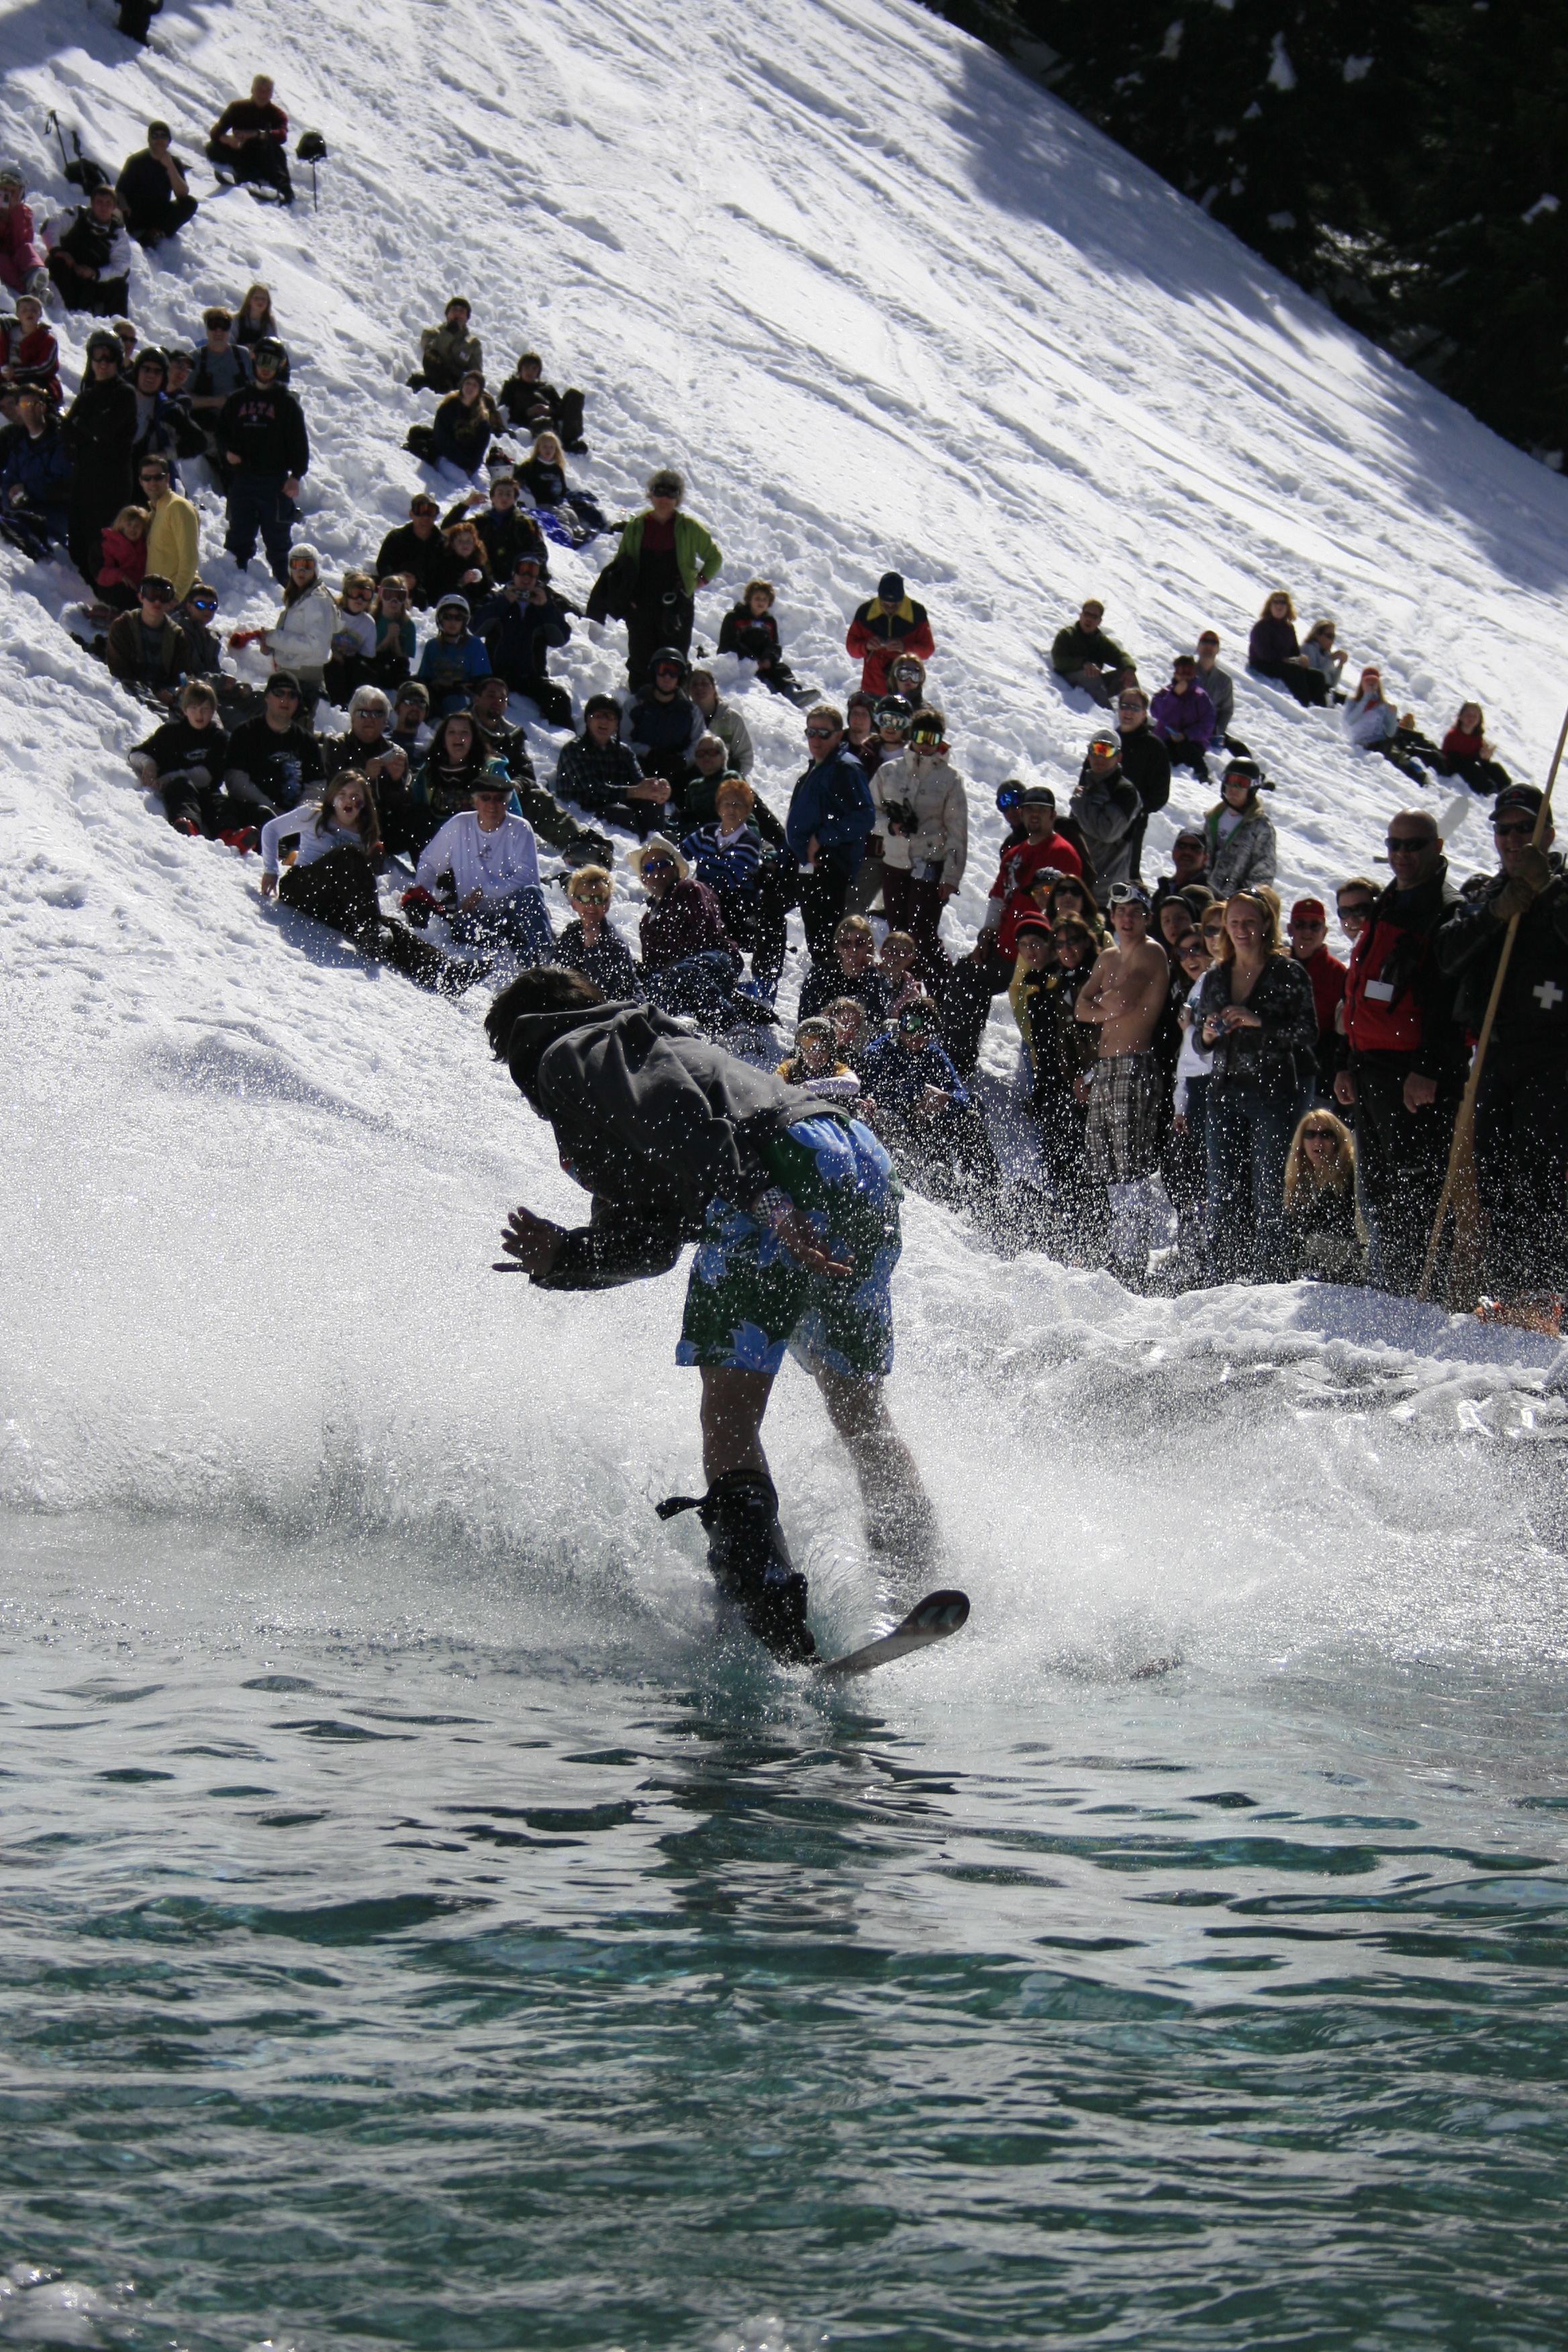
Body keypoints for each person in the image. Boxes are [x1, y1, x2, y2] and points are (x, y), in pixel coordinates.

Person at [489, 967, 934, 1651]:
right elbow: (651, 1243)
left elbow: (675, 1115)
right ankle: (917, 1583)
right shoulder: (640, 1046)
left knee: (729, 1411)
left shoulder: (566, 1050)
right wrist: (566, 1259)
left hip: (776, 1177)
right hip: (853, 1162)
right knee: (858, 1408)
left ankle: (764, 1618)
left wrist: (766, 1201)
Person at [1434, 785, 1568, 1312]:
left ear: (1547, 834)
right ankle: (1510, 1290)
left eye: (1523, 828)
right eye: (1503, 829)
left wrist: (1549, 893)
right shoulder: (1483, 892)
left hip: (1555, 1054)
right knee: (1491, 1174)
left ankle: (1546, 1290)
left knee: (1539, 1171)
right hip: (1494, 1053)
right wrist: (1496, 912)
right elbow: (1446, 958)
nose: (1513, 839)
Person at [1334, 810, 1463, 1294]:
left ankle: (1420, 1293)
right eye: (1395, 845)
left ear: (1437, 845)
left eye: (1414, 845)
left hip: (1412, 1075)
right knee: (1381, 1190)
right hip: (1372, 1068)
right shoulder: (1390, 901)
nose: (1403, 855)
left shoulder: (1446, 908)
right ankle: (1391, 1288)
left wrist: (1428, 1068)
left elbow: (1448, 1001)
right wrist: (1348, 1062)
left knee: (1416, 1193)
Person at [1191, 892, 1319, 1284]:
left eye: (1250, 922)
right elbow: (1198, 1041)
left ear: (1266, 924)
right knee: (1223, 1192)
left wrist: (1259, 1022)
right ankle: (1222, 1278)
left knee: (1269, 1191)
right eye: (1235, 922)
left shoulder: (1288, 972)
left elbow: (1309, 1032)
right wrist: (1209, 1034)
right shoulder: (1214, 976)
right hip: (1224, 1092)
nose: (1242, 930)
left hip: (1274, 1094)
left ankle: (1270, 1280)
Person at [262, 771, 483, 992]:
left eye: (356, 797)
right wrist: (271, 869)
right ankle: (369, 928)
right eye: (343, 794)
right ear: (332, 797)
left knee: (390, 930)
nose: (349, 801)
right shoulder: (313, 815)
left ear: (365, 804)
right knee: (348, 856)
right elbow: (272, 830)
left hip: (331, 903)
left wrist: (373, 916)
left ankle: (444, 973)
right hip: (302, 888)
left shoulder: (364, 833)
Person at [943, 785, 1084, 1073]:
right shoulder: (1015, 852)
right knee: (965, 979)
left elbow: (1069, 903)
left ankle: (1045, 1081)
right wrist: (986, 936)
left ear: (1053, 815)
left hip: (1039, 956)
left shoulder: (1063, 853)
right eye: (1029, 809)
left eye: (1041, 811)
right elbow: (998, 897)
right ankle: (957, 1062)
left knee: (1042, 1011)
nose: (1034, 815)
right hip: (1004, 950)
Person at [1073, 884, 1171, 1287]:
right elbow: (1081, 1008)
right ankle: (1126, 1248)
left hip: (1134, 1063)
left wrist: (1104, 1002)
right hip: (1106, 1065)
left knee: (1130, 1159)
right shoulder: (1109, 956)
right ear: (1111, 917)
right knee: (1107, 1159)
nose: (1127, 919)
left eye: (1135, 911)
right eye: (1121, 912)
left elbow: (1123, 1004)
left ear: (1146, 917)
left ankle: (1140, 1250)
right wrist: (1105, 1003)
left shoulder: (1151, 952)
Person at [859, 998, 1001, 1210]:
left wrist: (945, 1099)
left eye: (925, 1028)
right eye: (911, 1024)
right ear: (900, 1024)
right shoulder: (879, 1051)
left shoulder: (934, 1055)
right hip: (892, 1124)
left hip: (928, 1122)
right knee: (903, 1119)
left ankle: (987, 1193)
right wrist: (920, 1094)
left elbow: (959, 1093)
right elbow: (876, 1090)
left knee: (969, 1117)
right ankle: (926, 1184)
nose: (917, 1034)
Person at [467, 675, 614, 866]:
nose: (497, 702)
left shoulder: (511, 735)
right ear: (477, 698)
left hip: (506, 797)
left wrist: (517, 785)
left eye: (502, 698)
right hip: (470, 797)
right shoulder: (462, 728)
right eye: (491, 696)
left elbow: (526, 773)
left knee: (537, 799)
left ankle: (579, 840)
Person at [867, 706, 968, 984]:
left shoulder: (949, 779)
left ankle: (944, 992)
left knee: (922, 933)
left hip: (929, 863)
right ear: (912, 735)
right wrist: (891, 825)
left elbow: (957, 832)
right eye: (922, 736)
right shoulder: (890, 772)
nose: (926, 744)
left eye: (933, 739)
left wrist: (951, 876)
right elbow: (867, 812)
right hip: (895, 861)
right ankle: (906, 990)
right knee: (898, 931)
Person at [412, 779, 554, 961]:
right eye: (486, 798)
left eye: (499, 799)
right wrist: (421, 899)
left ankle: (546, 960)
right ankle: (515, 950)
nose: (492, 805)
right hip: (475, 917)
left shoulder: (520, 828)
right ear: (476, 802)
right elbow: (429, 863)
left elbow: (528, 878)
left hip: (513, 912)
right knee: (464, 926)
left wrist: (484, 891)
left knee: (531, 895)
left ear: (507, 802)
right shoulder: (459, 825)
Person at [679, 775, 789, 1001]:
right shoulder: (707, 833)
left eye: (738, 804)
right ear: (718, 807)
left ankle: (757, 983)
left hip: (736, 905)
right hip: (704, 901)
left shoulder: (750, 841)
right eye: (727, 803)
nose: (732, 809)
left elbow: (734, 875)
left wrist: (704, 887)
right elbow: (680, 855)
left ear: (748, 811)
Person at [609, 469, 722, 687]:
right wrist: (627, 597)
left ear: (678, 499)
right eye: (660, 492)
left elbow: (714, 557)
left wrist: (698, 582)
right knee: (641, 661)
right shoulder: (636, 526)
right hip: (641, 605)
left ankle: (674, 711)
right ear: (650, 495)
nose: (665, 499)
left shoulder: (689, 528)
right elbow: (621, 564)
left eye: (672, 493)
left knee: (674, 661)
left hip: (676, 607)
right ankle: (640, 709)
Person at [785, 705, 877, 954]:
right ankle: (766, 980)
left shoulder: (845, 768)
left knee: (827, 942)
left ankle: (833, 991)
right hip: (807, 865)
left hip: (830, 867)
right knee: (776, 907)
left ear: (839, 735)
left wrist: (822, 838)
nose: (816, 739)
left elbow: (865, 816)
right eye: (811, 732)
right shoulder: (817, 768)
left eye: (823, 733)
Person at [219, 338, 307, 583]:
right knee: (238, 538)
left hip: (274, 483)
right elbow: (221, 433)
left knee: (279, 544)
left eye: (273, 362)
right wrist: (227, 453)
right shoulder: (237, 400)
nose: (266, 368)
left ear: (281, 365)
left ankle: (290, 591)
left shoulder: (287, 404)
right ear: (254, 361)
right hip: (243, 481)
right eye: (263, 361)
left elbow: (300, 444)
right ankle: (234, 589)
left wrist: (296, 476)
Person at [126, 679, 244, 836]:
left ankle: (229, 835)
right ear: (185, 709)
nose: (199, 715)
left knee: (220, 802)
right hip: (178, 791)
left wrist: (169, 777)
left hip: (207, 792)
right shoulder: (170, 733)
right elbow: (135, 754)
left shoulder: (219, 738)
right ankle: (186, 825)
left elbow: (207, 776)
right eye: (194, 708)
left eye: (205, 709)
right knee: (182, 787)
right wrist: (149, 764)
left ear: (213, 710)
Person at [1164, 928, 1216, 1281]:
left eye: (1197, 949)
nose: (1190, 958)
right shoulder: (1194, 991)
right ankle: (1193, 1246)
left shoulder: (1221, 983)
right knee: (1183, 1170)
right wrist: (1180, 1105)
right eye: (1182, 954)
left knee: (1215, 1177)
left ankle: (1213, 1254)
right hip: (1195, 1091)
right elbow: (1188, 1056)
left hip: (1221, 1090)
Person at [473, 553, 572, 724]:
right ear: (514, 574)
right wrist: (503, 602)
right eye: (522, 571)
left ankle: (563, 742)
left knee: (559, 699)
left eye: (532, 572)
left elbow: (560, 639)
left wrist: (546, 608)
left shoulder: (545, 603)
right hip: (495, 674)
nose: (526, 578)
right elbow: (476, 628)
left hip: (530, 677)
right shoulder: (497, 598)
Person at [556, 696, 671, 838]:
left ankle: (657, 848)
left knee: (653, 804)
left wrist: (657, 789)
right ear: (588, 720)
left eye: (610, 717)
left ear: (617, 724)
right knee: (621, 813)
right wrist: (634, 792)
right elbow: (592, 791)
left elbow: (639, 784)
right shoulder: (573, 750)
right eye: (598, 716)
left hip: (619, 809)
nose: (604, 721)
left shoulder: (624, 752)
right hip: (582, 815)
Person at [224, 671, 324, 816]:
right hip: (253, 815)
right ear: (267, 697)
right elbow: (235, 782)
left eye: (292, 695)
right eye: (279, 693)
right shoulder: (244, 733)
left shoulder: (307, 742)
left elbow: (317, 786)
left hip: (296, 820)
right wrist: (270, 807)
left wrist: (299, 814)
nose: (285, 699)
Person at [1283, 1112, 1365, 1283]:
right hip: (1308, 1276)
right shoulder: (1298, 1180)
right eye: (1310, 1135)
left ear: (1338, 1140)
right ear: (1302, 1141)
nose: (1318, 1141)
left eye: (1326, 1135)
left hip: (1348, 1270)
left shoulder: (1352, 1174)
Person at [409, 709, 509, 848]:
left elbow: (512, 814)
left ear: (474, 739)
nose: (458, 738)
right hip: (438, 848)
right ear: (443, 740)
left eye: (465, 733)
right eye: (452, 732)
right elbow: (415, 809)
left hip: (481, 846)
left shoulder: (492, 771)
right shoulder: (429, 772)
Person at [257, 544, 336, 702]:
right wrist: (272, 646)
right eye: (296, 565)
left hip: (305, 676)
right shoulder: (300, 597)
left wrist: (274, 638)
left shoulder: (317, 600)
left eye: (307, 565)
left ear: (316, 569)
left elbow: (316, 646)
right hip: (291, 673)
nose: (301, 571)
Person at [1287, 897, 1346, 1101]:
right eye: (1300, 924)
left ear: (1325, 932)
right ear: (1289, 929)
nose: (1307, 931)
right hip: (1276, 1070)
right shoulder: (1275, 966)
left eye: (1315, 926)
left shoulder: (1337, 973)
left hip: (1319, 1077)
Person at [0, 386, 71, 556]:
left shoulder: (60, 440)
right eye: (24, 405)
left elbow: (62, 483)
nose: (30, 410)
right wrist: (10, 499)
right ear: (18, 409)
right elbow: (9, 479)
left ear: (43, 407)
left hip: (56, 520)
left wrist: (27, 490)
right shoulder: (19, 444)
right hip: (24, 514)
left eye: (34, 404)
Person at [550, 865, 640, 997]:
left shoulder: (615, 944)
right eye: (585, 899)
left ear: (607, 905)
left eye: (598, 899)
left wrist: (591, 950)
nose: (591, 905)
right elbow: (556, 977)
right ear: (574, 904)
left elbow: (604, 995)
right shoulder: (571, 933)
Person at [43, 184, 132, 318]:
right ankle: (64, 314)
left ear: (114, 207)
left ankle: (119, 330)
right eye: (99, 202)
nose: (104, 207)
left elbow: (121, 267)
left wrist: (95, 273)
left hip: (94, 280)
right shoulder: (77, 216)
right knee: (57, 264)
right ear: (92, 203)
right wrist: (58, 251)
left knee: (120, 285)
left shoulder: (117, 234)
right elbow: (51, 226)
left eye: (108, 203)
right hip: (68, 270)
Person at [1112, 685, 1172, 881]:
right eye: (1125, 706)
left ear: (1144, 714)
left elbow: (1160, 795)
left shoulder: (1154, 748)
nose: (1129, 712)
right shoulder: (1110, 741)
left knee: (1126, 877)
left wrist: (1135, 809)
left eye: (1135, 708)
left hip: (1132, 825)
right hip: (1099, 819)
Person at [1070, 732, 1142, 891]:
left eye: (1107, 751)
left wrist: (1080, 804)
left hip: (1106, 889)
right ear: (1088, 755)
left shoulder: (1124, 791)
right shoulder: (1086, 788)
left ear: (1119, 757)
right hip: (1078, 883)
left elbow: (1107, 832)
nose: (1100, 757)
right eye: (1096, 750)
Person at [103, 574, 188, 707]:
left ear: (170, 602)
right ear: (141, 597)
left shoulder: (177, 635)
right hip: (130, 691)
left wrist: (184, 687)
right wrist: (155, 691)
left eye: (164, 596)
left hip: (166, 693)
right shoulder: (123, 626)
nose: (157, 602)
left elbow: (181, 673)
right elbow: (120, 671)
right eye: (151, 594)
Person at [846, 571, 934, 698]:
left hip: (907, 690)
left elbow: (928, 649)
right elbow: (851, 647)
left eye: (895, 605)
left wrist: (905, 648)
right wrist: (866, 646)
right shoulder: (865, 612)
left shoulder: (917, 613)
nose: (890, 608)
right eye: (885, 605)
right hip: (873, 688)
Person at [206, 79, 293, 203]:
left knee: (276, 151)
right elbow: (216, 132)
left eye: (267, 91)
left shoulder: (277, 114)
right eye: (260, 89)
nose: (263, 94)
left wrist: (257, 135)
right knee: (213, 147)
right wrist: (228, 140)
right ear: (252, 90)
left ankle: (284, 191)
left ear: (272, 94)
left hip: (263, 154)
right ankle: (244, 176)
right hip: (241, 151)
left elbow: (282, 136)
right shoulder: (237, 108)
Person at [450, 471, 546, 581]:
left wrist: (527, 573)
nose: (504, 497)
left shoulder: (526, 524)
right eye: (500, 493)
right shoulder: (481, 523)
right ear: (492, 498)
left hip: (521, 581)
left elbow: (540, 552)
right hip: (489, 582)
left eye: (509, 494)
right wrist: (466, 504)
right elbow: (448, 528)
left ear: (515, 499)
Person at [115, 124, 197, 248]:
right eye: (155, 136)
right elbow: (120, 191)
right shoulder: (135, 161)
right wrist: (124, 205)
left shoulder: (174, 163)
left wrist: (170, 167)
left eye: (163, 137)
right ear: (149, 140)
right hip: (135, 211)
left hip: (159, 212)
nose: (159, 140)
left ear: (169, 141)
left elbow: (182, 194)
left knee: (190, 203)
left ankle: (154, 233)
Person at [1204, 759, 1277, 898]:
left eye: (1242, 783)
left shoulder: (1260, 827)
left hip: (1234, 909)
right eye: (1230, 780)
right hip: (1205, 900)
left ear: (1252, 788)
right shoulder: (1213, 818)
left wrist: (1244, 902)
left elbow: (1263, 875)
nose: (1234, 788)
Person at [514, 431, 605, 542]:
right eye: (545, 447)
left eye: (551, 447)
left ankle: (581, 534)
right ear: (538, 448)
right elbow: (517, 478)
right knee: (561, 518)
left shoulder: (557, 468)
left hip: (559, 501)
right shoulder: (531, 466)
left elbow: (562, 487)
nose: (548, 450)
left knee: (572, 516)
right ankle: (569, 538)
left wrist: (563, 500)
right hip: (543, 502)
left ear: (556, 450)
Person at [799, 915, 891, 1025]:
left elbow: (878, 1022)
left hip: (862, 1040)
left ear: (869, 945)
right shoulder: (821, 973)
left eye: (860, 943)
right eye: (846, 943)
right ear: (838, 946)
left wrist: (872, 974)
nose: (853, 949)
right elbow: (805, 1021)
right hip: (825, 1037)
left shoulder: (879, 981)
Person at [719, 579, 801, 697]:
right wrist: (751, 658)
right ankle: (768, 694)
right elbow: (728, 643)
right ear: (749, 599)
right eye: (758, 598)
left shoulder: (769, 622)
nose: (761, 602)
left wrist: (769, 659)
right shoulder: (734, 618)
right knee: (759, 677)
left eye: (765, 599)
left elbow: (774, 646)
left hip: (763, 662)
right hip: (742, 661)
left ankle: (792, 692)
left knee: (782, 670)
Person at [132, 456, 199, 604]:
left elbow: (190, 558)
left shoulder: (177, 507)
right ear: (140, 481)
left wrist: (176, 598)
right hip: (158, 597)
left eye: (158, 477)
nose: (152, 482)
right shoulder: (155, 512)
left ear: (168, 478)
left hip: (177, 598)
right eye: (147, 478)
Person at [1342, 666, 1424, 780]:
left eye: (1374, 682)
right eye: (1368, 681)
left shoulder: (1382, 706)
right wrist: (1366, 699)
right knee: (1391, 756)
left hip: (1381, 742)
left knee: (1397, 755)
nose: (1371, 684)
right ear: (1362, 683)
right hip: (1363, 743)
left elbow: (1390, 732)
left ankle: (1417, 775)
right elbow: (1349, 721)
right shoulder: (1353, 702)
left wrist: (1392, 717)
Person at [1247, 590, 1327, 707]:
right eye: (1276, 602)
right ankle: (1304, 704)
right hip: (1263, 664)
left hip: (1284, 664)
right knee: (1294, 671)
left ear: (1288, 607)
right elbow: (1264, 654)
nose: (1279, 606)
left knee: (1317, 676)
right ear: (1270, 606)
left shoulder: (1289, 628)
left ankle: (1321, 708)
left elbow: (1294, 651)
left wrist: (1301, 658)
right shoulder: (1262, 627)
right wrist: (1285, 659)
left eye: (1283, 603)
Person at [495, 350, 587, 450]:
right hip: (529, 424)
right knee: (542, 423)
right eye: (526, 367)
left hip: (552, 421)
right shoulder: (512, 387)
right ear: (520, 369)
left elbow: (560, 408)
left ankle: (570, 440)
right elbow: (504, 410)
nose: (530, 372)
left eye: (534, 368)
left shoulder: (547, 389)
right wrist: (527, 413)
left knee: (574, 396)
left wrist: (549, 410)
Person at [1050, 599, 1133, 708]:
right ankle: (1107, 714)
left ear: (1099, 621)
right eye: (1087, 614)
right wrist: (1083, 664)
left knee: (1128, 676)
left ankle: (1138, 715)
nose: (1089, 619)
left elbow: (1120, 656)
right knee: (1089, 675)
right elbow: (1059, 661)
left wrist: (1129, 668)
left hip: (1097, 684)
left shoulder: (1100, 641)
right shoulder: (1067, 635)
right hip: (1069, 680)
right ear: (1081, 616)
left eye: (1095, 617)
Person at [416, 593, 491, 709]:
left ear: (465, 621)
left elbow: (482, 682)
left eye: (458, 618)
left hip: (463, 698)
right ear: (440, 619)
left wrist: (454, 686)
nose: (453, 622)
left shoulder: (475, 645)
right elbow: (424, 679)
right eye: (447, 617)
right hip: (436, 696)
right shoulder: (432, 646)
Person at [1149, 655, 1216, 778]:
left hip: (1191, 743)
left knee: (1185, 749)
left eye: (1189, 673)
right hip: (1167, 739)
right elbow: (1157, 712)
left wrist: (1186, 735)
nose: (1185, 677)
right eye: (1181, 672)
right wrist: (1174, 696)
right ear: (1175, 674)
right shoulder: (1166, 693)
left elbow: (1207, 725)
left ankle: (1202, 772)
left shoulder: (1201, 697)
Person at [375, 493, 446, 609]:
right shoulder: (396, 538)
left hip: (432, 597)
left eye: (431, 512)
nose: (426, 517)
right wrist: (399, 579)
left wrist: (417, 582)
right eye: (421, 511)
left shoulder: (444, 543)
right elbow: (383, 564)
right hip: (396, 593)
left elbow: (446, 574)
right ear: (411, 514)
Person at [429, 371, 504, 475]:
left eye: (475, 385)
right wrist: (463, 463)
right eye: (468, 383)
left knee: (483, 484)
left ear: (479, 391)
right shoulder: (447, 408)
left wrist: (472, 467)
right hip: (446, 458)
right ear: (462, 385)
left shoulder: (482, 419)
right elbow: (441, 440)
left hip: (470, 464)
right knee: (463, 483)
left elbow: (480, 449)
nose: (470, 387)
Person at [687, 667, 753, 777]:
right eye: (694, 684)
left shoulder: (732, 719)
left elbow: (744, 757)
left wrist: (731, 778)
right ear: (689, 691)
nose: (699, 687)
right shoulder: (685, 719)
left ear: (714, 688)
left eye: (704, 683)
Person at [0, 293, 60, 412]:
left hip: (34, 380)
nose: (29, 313)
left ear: (40, 314)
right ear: (18, 315)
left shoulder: (47, 340)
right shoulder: (6, 333)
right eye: (24, 310)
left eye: (34, 310)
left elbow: (45, 367)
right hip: (6, 377)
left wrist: (15, 372)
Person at [1439, 702, 1512, 799]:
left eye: (1475, 716)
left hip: (1468, 766)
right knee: (1474, 770)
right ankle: (1490, 792)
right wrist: (1478, 756)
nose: (1471, 718)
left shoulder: (1477, 737)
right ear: (1460, 717)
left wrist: (1485, 758)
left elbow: (1482, 762)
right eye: (1468, 715)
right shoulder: (1453, 736)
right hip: (1453, 769)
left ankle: (1507, 790)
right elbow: (1457, 762)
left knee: (1495, 767)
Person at [777, 1016, 860, 1099]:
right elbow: (774, 1090)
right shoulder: (788, 1068)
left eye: (823, 1046)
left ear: (831, 1050)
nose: (816, 1052)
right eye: (808, 1044)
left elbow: (853, 1085)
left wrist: (809, 1087)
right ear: (800, 1049)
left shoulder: (836, 1068)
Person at [410, 298, 481, 393]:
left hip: (458, 384)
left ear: (467, 318)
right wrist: (449, 332)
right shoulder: (431, 333)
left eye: (462, 311)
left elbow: (476, 373)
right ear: (447, 314)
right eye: (454, 310)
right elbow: (431, 352)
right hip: (436, 377)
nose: (458, 314)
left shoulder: (473, 344)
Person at [425, 514, 493, 607]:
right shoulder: (445, 563)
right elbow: (440, 589)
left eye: (468, 541)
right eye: (460, 541)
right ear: (453, 544)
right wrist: (462, 582)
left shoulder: (478, 564)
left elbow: (486, 590)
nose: (465, 545)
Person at [1195, 629, 1245, 753]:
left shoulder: (1224, 681)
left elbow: (1227, 710)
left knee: (1239, 749)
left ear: (1218, 650)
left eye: (1213, 643)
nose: (1209, 646)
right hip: (1188, 727)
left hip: (1212, 730)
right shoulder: (1186, 673)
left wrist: (1217, 730)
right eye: (1205, 642)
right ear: (1198, 647)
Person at [0, 165, 46, 299]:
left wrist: (15, 214)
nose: (8, 196)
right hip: (2, 256)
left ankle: (36, 275)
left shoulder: (23, 213)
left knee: (27, 249)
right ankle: (23, 289)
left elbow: (23, 240)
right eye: (4, 190)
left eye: (13, 192)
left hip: (16, 254)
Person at [95, 502, 149, 607]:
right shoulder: (109, 543)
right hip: (114, 586)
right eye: (129, 525)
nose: (133, 529)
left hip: (138, 587)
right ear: (121, 525)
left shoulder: (144, 545)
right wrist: (120, 576)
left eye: (137, 526)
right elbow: (101, 573)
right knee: (125, 595)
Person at [1151, 828, 1211, 922]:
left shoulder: (1209, 898)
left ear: (1205, 858)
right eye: (1182, 846)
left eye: (1195, 848)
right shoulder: (1163, 891)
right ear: (1174, 852)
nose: (1187, 852)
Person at [1302, 618, 1348, 700]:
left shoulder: (1326, 653)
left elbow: (1333, 683)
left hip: (1326, 691)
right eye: (1329, 636)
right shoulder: (1309, 648)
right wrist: (1330, 659)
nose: (1332, 641)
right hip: (1314, 691)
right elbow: (1315, 676)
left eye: (1333, 637)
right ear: (1317, 635)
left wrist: (1340, 665)